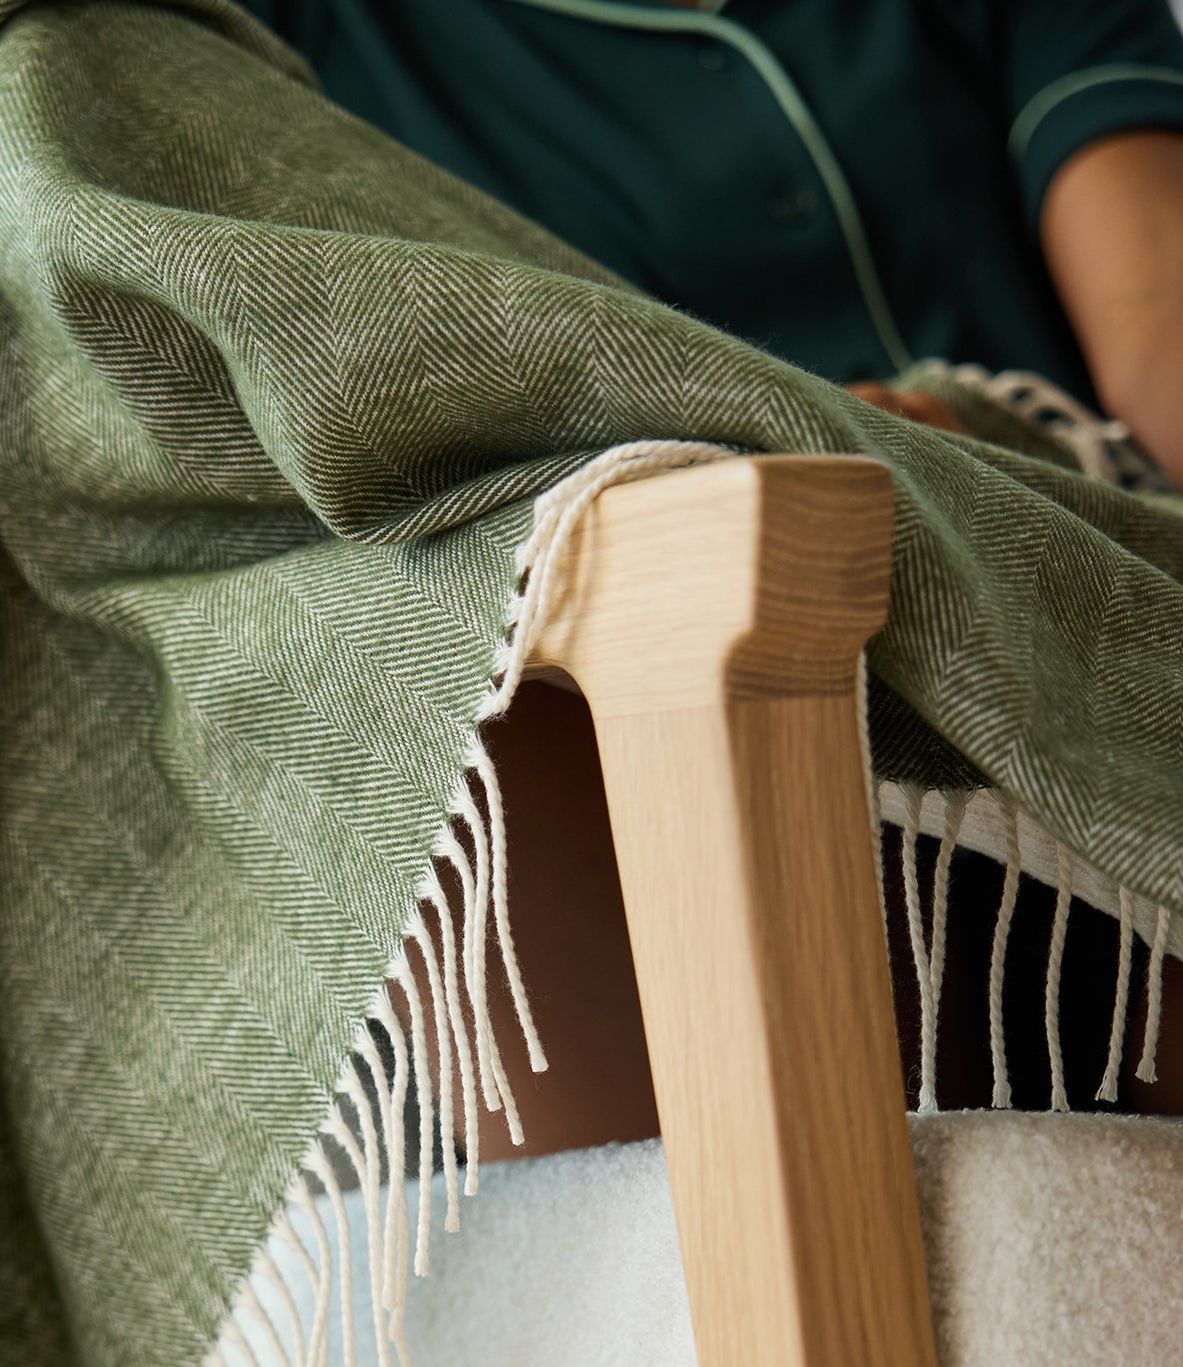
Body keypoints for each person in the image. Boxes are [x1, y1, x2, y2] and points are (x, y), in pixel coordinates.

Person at [243, 0, 1183, 1145]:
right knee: (456, 656)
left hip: (1077, 621)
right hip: (638, 718)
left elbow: (1160, 341)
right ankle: (691, 1292)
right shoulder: (312, 41)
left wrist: (961, 465)